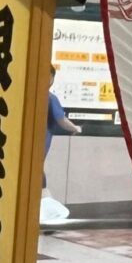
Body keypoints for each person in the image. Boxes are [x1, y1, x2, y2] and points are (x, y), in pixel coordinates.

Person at [41, 65, 80, 224]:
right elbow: (62, 120)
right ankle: (49, 214)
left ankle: (48, 213)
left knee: (38, 175)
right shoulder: (50, 98)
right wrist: (76, 128)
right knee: (39, 176)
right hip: (40, 145)